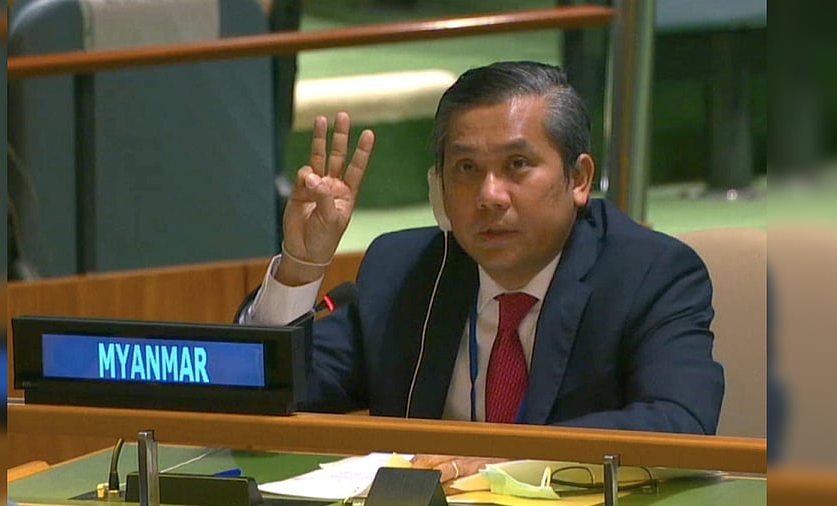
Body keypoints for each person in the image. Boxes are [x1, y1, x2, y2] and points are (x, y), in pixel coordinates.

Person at [237, 61, 724, 479]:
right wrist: (301, 265)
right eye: (466, 168)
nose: (489, 196)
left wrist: (509, 455)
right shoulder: (405, 270)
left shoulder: (649, 274)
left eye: (517, 164)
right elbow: (272, 391)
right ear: (439, 186)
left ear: (578, 179)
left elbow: (679, 422)